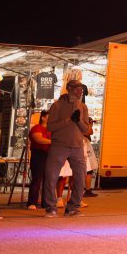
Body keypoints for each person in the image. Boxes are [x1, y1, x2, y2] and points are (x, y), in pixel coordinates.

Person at [42, 80, 92, 218]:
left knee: (81, 177)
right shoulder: (57, 105)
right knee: (51, 176)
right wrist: (69, 120)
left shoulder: (82, 106)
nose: (80, 91)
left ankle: (72, 208)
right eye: (77, 88)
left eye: (81, 88)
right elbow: (50, 127)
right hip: (59, 145)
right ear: (69, 88)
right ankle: (51, 208)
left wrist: (78, 121)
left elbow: (87, 130)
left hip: (77, 146)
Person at [27, 109, 51, 210]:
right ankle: (32, 202)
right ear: (43, 117)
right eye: (49, 116)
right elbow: (38, 139)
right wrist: (53, 141)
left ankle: (46, 202)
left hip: (49, 155)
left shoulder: (51, 129)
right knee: (37, 179)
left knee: (48, 180)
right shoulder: (37, 128)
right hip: (38, 155)